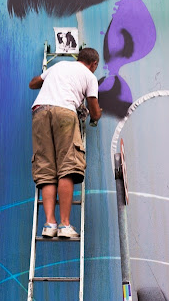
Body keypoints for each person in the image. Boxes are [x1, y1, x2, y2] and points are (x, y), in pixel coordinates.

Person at [28, 48, 102, 238]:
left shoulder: (59, 65)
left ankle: (49, 224)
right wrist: (97, 114)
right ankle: (64, 225)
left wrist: (46, 79)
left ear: (79, 58)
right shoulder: (90, 76)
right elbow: (94, 112)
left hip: (39, 111)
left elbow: (33, 83)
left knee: (45, 169)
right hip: (64, 112)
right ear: (94, 64)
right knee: (68, 166)